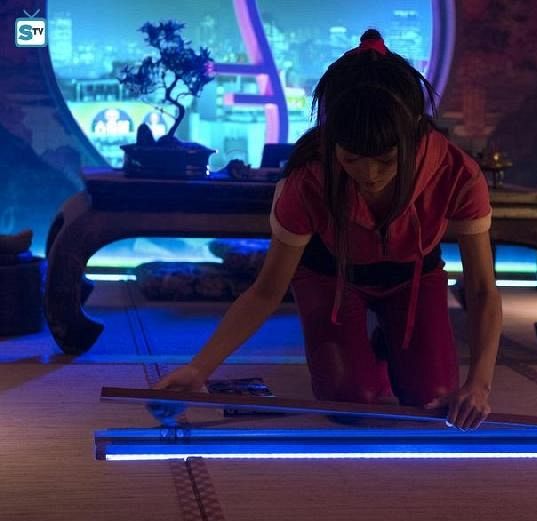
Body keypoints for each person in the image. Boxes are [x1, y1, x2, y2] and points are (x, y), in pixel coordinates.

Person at [155, 29, 503, 431]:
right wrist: (199, 368)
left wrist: (479, 384)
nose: (369, 176)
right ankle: (366, 358)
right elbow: (266, 291)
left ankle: (386, 346)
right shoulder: (308, 179)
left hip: (413, 277)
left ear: (415, 137)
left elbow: (481, 289)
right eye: (352, 159)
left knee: (434, 400)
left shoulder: (456, 173)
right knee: (351, 403)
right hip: (331, 276)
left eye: (386, 161)